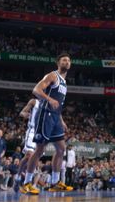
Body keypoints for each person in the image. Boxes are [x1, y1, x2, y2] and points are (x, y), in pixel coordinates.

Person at [20, 53, 74, 194]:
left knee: (61, 149)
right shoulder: (52, 75)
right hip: (45, 115)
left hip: (56, 117)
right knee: (39, 150)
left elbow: (58, 103)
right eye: (64, 60)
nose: (66, 62)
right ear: (58, 63)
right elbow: (36, 90)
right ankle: (26, 183)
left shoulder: (64, 82)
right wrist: (49, 99)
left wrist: (61, 120)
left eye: (68, 60)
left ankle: (55, 182)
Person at [14, 98, 38, 192]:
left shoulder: (50, 103)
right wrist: (28, 115)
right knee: (29, 155)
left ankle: (20, 179)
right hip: (32, 131)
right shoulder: (34, 101)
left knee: (33, 158)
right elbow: (22, 113)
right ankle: (23, 180)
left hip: (42, 133)